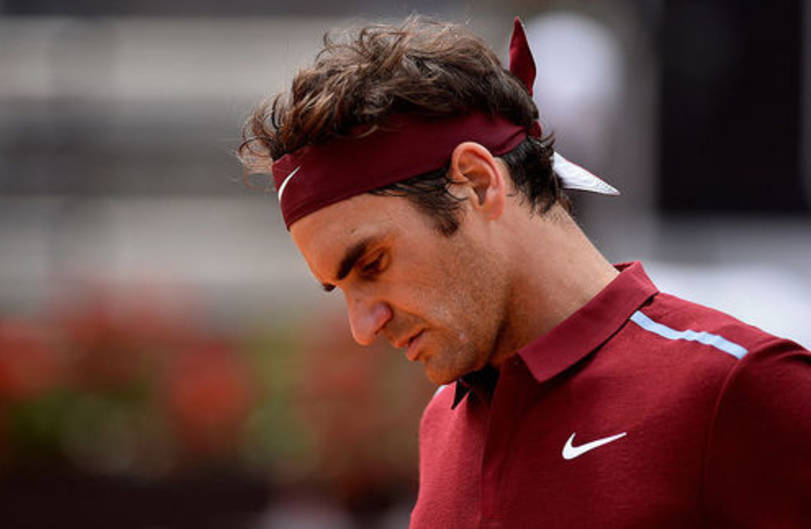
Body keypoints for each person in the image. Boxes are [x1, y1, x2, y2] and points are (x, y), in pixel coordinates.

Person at [238, 16, 811, 528]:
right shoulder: (442, 423)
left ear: (477, 182)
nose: (363, 327)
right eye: (340, 288)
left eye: (372, 263)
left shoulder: (744, 388)